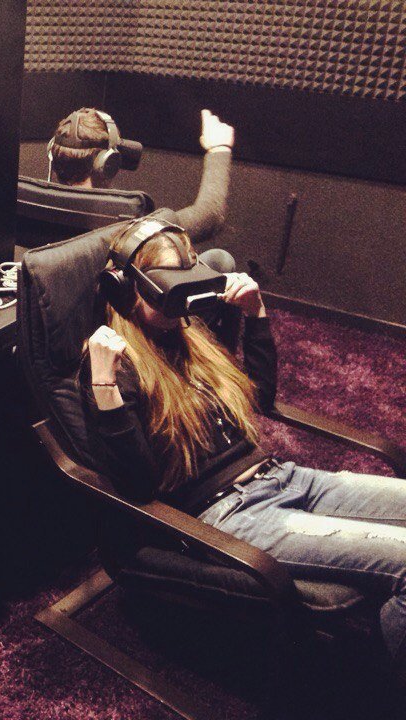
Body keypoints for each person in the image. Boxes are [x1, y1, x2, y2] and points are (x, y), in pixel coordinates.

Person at [80, 221, 406, 674]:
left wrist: (256, 314)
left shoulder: (191, 335)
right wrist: (105, 386)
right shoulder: (113, 365)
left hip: (285, 477)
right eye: (169, 282)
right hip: (231, 514)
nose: (183, 295)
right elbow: (137, 485)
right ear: (124, 289)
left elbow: (260, 398)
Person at [49, 107, 237, 274]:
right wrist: (219, 148)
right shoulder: (127, 224)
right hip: (115, 303)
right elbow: (210, 216)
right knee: (220, 260)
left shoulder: (41, 204)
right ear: (107, 164)